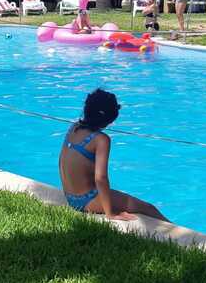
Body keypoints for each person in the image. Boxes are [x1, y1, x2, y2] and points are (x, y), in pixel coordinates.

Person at [58, 89, 169, 222]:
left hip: (70, 197)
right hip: (87, 199)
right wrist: (109, 212)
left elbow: (62, 161)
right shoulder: (101, 139)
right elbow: (101, 178)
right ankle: (183, 239)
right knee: (148, 208)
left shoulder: (74, 128)